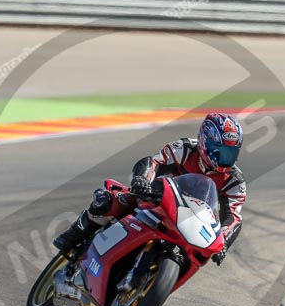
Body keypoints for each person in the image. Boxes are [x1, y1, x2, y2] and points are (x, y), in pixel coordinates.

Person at [54, 112, 246, 266]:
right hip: (158, 199)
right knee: (108, 202)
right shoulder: (186, 148)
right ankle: (73, 236)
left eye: (231, 152)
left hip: (192, 223)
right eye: (222, 151)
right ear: (205, 142)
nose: (225, 158)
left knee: (195, 259)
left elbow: (234, 218)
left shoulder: (234, 181)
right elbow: (154, 162)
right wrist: (141, 180)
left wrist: (223, 243)